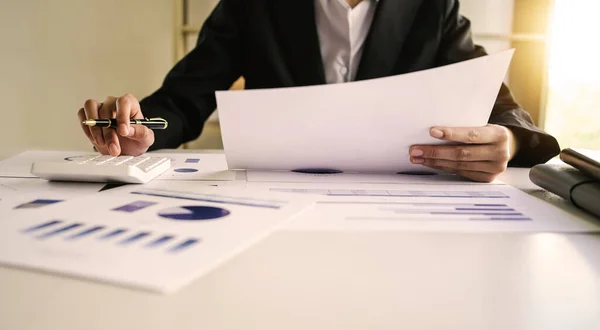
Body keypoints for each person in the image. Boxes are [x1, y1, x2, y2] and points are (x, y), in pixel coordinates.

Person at [77, 0, 560, 182]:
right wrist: (139, 128)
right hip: (272, 205)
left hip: (400, 208)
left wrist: (510, 141)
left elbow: (504, 110)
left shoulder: (430, 7)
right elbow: (184, 98)